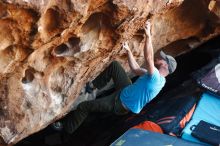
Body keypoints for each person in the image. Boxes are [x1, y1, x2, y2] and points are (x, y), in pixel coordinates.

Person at [52, 21, 177, 134]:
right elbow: (135, 69)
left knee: (84, 106)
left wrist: (148, 35)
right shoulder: (156, 78)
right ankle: (93, 86)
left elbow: (149, 57)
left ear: (165, 65)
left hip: (119, 103)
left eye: (162, 59)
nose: (159, 58)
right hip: (126, 89)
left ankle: (66, 128)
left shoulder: (155, 79)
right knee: (115, 66)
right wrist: (128, 51)